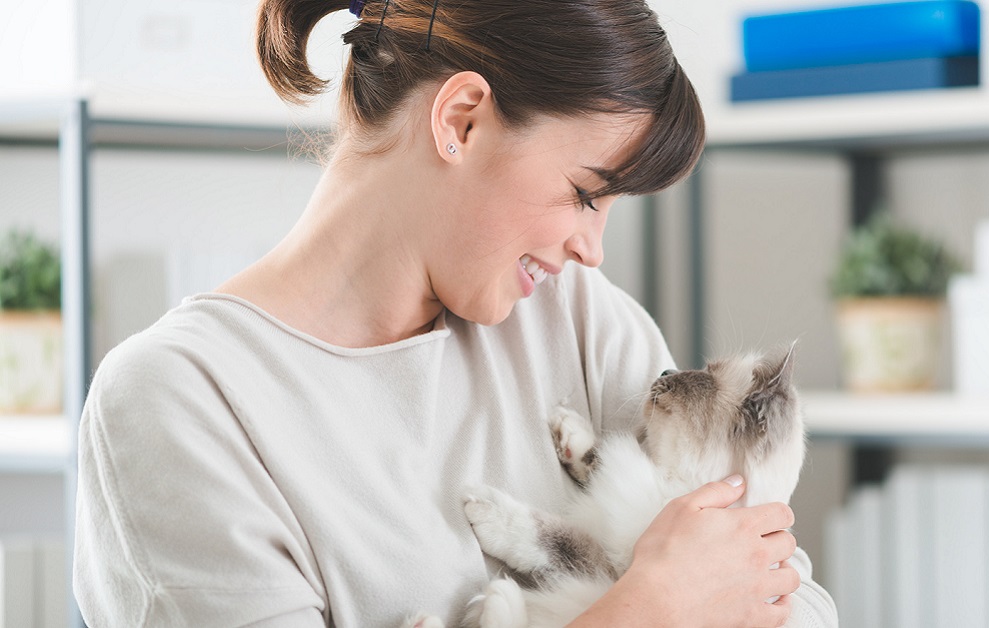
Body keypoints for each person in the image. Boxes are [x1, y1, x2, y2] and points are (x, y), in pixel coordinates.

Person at [73, 0, 839, 626]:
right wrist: (644, 610)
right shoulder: (179, 401)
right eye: (584, 195)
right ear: (461, 120)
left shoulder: (575, 318)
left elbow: (786, 595)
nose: (591, 249)